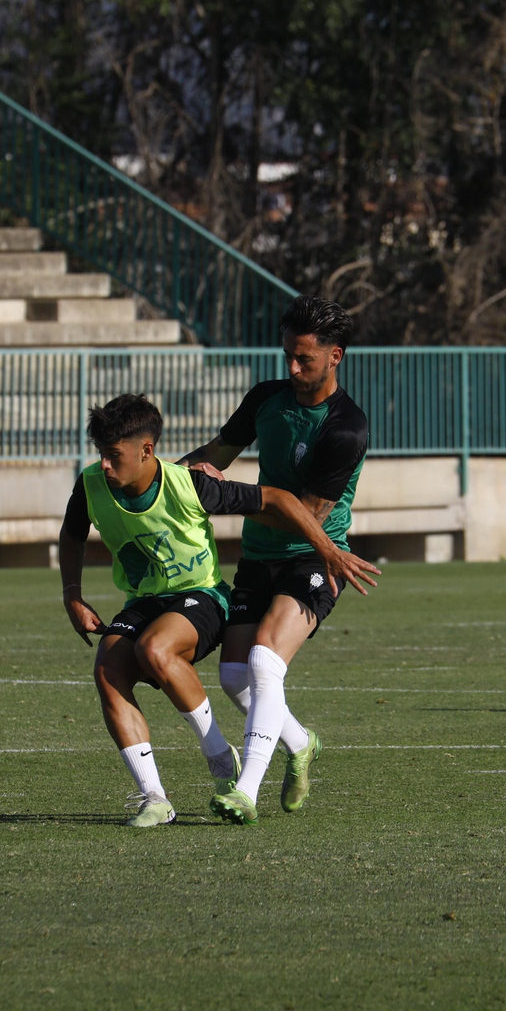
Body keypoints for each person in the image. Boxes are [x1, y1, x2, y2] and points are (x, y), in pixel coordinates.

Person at [59, 393, 377, 828]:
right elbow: (72, 533)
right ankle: (154, 798)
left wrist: (330, 550)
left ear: (146, 450)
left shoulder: (189, 483)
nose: (106, 466)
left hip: (203, 597)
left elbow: (279, 500)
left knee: (158, 649)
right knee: (108, 669)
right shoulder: (92, 483)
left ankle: (222, 763)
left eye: (114, 456)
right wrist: (72, 595)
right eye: (102, 455)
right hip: (146, 599)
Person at [179, 295, 373, 826]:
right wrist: (163, 483)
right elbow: (216, 453)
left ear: (336, 356)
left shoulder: (345, 427)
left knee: (266, 661)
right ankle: (301, 741)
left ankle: (246, 792)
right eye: (287, 353)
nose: (291, 367)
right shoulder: (267, 397)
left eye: (303, 358)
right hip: (258, 558)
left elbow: (303, 515)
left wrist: (227, 494)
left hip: (315, 557)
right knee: (236, 679)